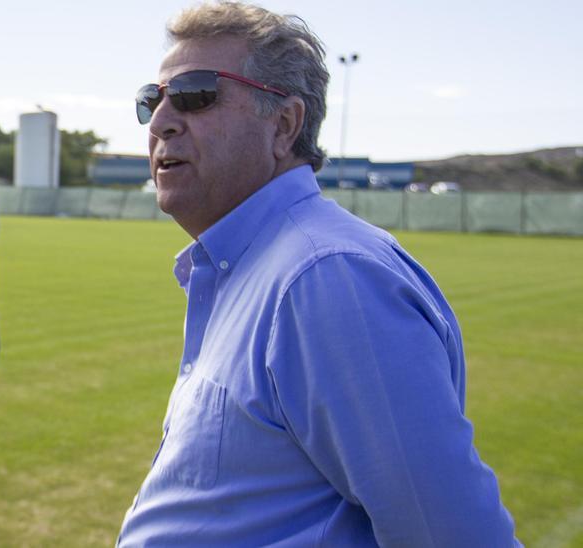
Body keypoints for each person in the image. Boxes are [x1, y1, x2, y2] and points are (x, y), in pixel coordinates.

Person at [116, 3, 518, 546]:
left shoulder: (329, 279)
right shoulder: (257, 265)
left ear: (284, 124)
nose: (161, 119)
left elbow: (453, 535)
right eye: (152, 99)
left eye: (194, 93)